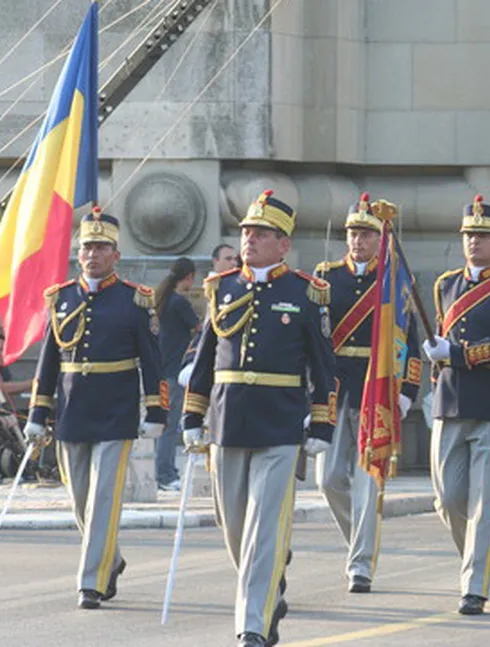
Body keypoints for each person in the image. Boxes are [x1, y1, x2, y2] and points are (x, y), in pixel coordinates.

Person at [182, 189, 336, 647]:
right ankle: (268, 587)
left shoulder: (306, 293)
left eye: (262, 233)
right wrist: (192, 416)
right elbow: (205, 359)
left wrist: (322, 423)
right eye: (247, 231)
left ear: (283, 244)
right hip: (228, 422)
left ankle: (253, 624)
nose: (250, 239)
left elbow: (322, 365)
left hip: (280, 425)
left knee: (264, 526)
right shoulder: (221, 287)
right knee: (234, 527)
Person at [23, 207, 167, 610]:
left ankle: (91, 581)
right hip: (72, 412)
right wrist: (38, 412)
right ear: (78, 251)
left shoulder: (135, 300)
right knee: (80, 500)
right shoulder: (61, 298)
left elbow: (153, 361)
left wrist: (156, 410)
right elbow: (48, 362)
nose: (93, 254)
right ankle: (112, 558)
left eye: (101, 247)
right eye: (87, 246)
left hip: (115, 411)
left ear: (115, 255)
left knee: (103, 498)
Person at [421, 195, 490, 616]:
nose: (475, 242)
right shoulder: (445, 285)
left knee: (486, 501)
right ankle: (474, 557)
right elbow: (438, 337)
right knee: (448, 498)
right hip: (450, 401)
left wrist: (456, 352)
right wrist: (437, 359)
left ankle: (475, 585)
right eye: (469, 235)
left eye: (483, 236)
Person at [313, 193, 421, 594]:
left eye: (366, 234)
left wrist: (408, 388)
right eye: (353, 233)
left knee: (367, 482)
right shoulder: (327, 276)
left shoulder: (395, 279)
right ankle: (361, 540)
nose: (358, 241)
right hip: (335, 388)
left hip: (376, 390)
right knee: (329, 481)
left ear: (380, 239)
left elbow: (409, 337)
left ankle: (361, 563)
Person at [154, 257, 200, 491]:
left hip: (162, 369)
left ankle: (164, 470)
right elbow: (199, 329)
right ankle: (165, 474)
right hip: (175, 369)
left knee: (164, 424)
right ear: (189, 276)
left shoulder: (162, 299)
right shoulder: (179, 303)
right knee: (170, 426)